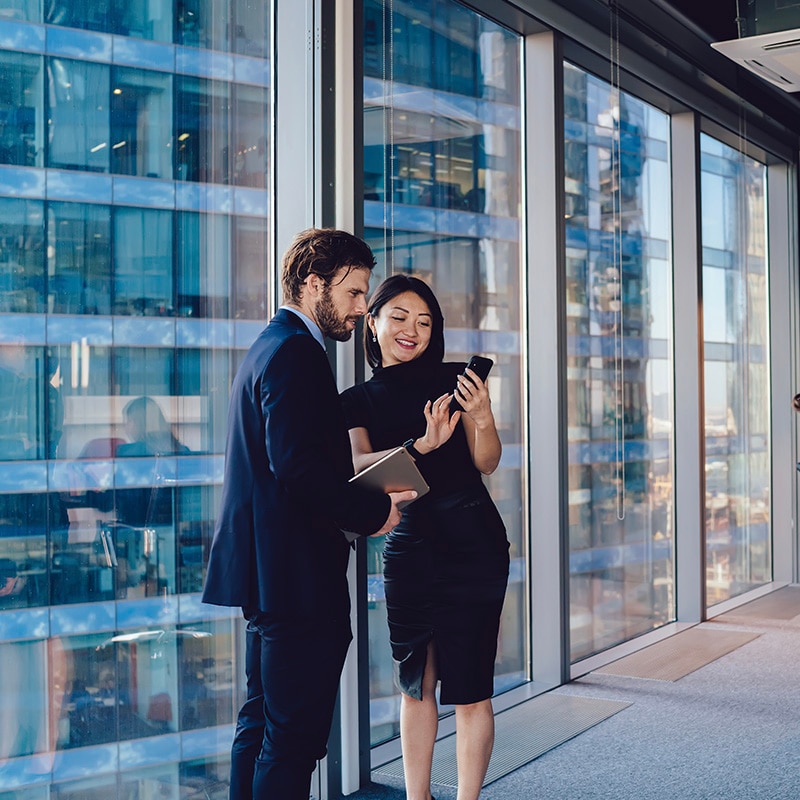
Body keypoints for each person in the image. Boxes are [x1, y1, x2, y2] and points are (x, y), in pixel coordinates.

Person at [201, 228, 416, 800]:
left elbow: (288, 464)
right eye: (353, 292)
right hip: (296, 580)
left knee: (261, 726)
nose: (362, 307)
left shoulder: (268, 345)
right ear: (314, 283)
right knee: (292, 742)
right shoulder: (297, 352)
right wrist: (374, 512)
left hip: (270, 576)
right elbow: (298, 466)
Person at [340, 274, 510, 800]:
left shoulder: (457, 380)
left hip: (475, 541)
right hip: (410, 545)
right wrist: (423, 444)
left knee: (472, 688)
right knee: (416, 683)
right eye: (399, 317)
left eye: (424, 322)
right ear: (372, 323)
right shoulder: (355, 400)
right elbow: (358, 467)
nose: (411, 330)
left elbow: (487, 462)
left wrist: (482, 416)